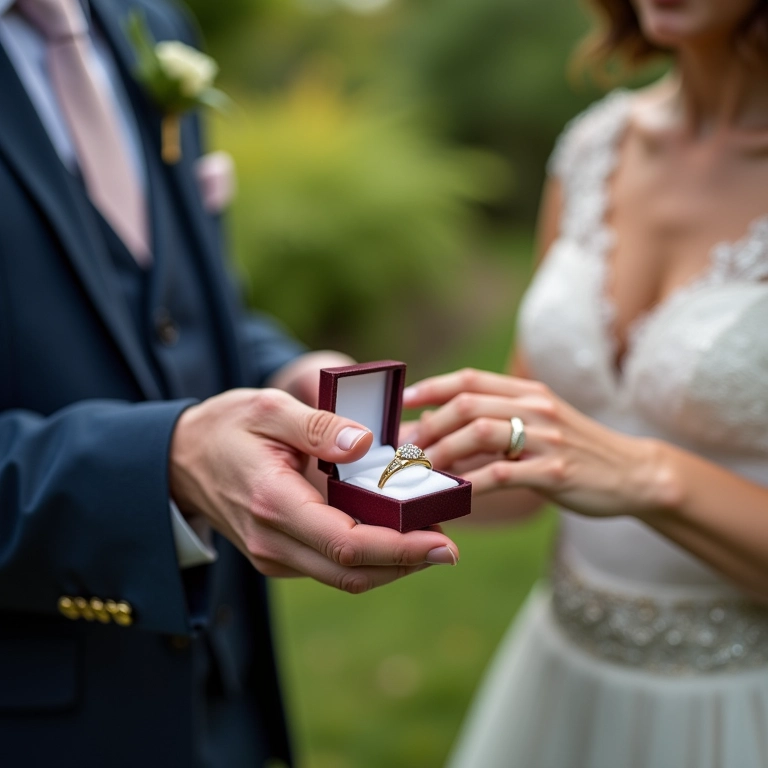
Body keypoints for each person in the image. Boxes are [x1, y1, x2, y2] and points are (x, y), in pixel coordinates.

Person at [0, 0, 460, 765]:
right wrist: (164, 462)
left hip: (223, 693)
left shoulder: (150, 21)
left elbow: (181, 305)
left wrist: (286, 374)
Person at [403, 0, 768, 765]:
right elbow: (525, 475)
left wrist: (647, 475)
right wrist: (378, 467)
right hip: (561, 679)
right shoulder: (594, 147)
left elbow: (593, 458)